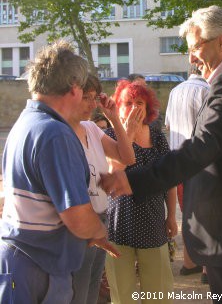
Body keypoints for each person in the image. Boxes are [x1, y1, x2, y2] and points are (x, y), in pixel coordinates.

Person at [101, 6, 222, 303]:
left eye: (195, 47)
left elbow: (201, 147)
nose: (191, 58)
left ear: (221, 40)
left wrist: (134, 180)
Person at [0, 41, 107, 304]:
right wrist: (100, 231)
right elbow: (78, 217)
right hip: (40, 269)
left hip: (21, 263)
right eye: (83, 89)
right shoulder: (55, 133)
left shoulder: (26, 123)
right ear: (73, 88)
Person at [105, 80, 177, 304]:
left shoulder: (157, 138)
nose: (134, 107)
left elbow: (169, 180)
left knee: (158, 293)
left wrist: (172, 216)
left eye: (139, 103)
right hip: (119, 224)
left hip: (152, 223)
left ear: (148, 108)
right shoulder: (109, 135)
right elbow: (112, 173)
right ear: (118, 106)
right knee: (121, 294)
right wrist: (126, 134)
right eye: (128, 103)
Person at [69, 74, 135, 304]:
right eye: (86, 97)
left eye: (94, 98)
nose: (91, 104)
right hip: (82, 219)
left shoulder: (92, 128)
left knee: (93, 284)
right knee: (79, 287)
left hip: (101, 216)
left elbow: (128, 156)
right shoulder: (61, 131)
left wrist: (115, 119)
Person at [165, 64, 209, 282]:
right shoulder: (207, 90)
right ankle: (207, 269)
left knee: (188, 214)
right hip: (200, 163)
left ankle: (189, 262)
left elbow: (167, 125)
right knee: (206, 215)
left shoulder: (175, 91)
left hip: (177, 162)